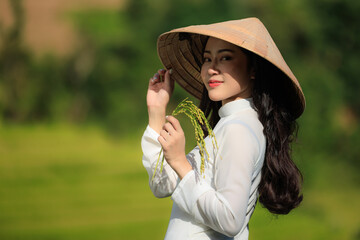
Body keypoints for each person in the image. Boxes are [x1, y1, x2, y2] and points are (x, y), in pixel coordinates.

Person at [141, 17, 305, 240]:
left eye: (225, 58)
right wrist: (157, 111)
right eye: (207, 59)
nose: (211, 69)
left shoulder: (239, 129)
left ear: (253, 69)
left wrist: (180, 161)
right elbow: (163, 185)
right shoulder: (230, 125)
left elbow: (230, 219)